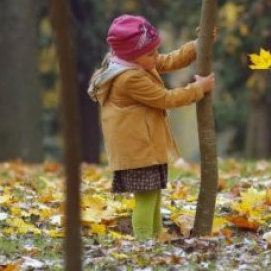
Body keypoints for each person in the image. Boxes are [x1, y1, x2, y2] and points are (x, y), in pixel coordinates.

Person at [88, 14, 215, 241]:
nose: (156, 56)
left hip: (146, 147)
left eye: (156, 50)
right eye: (150, 53)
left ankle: (155, 237)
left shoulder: (137, 63)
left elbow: (167, 61)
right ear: (133, 56)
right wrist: (198, 88)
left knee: (154, 195)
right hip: (137, 149)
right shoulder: (129, 79)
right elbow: (165, 99)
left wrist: (198, 46)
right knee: (146, 198)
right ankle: (144, 242)